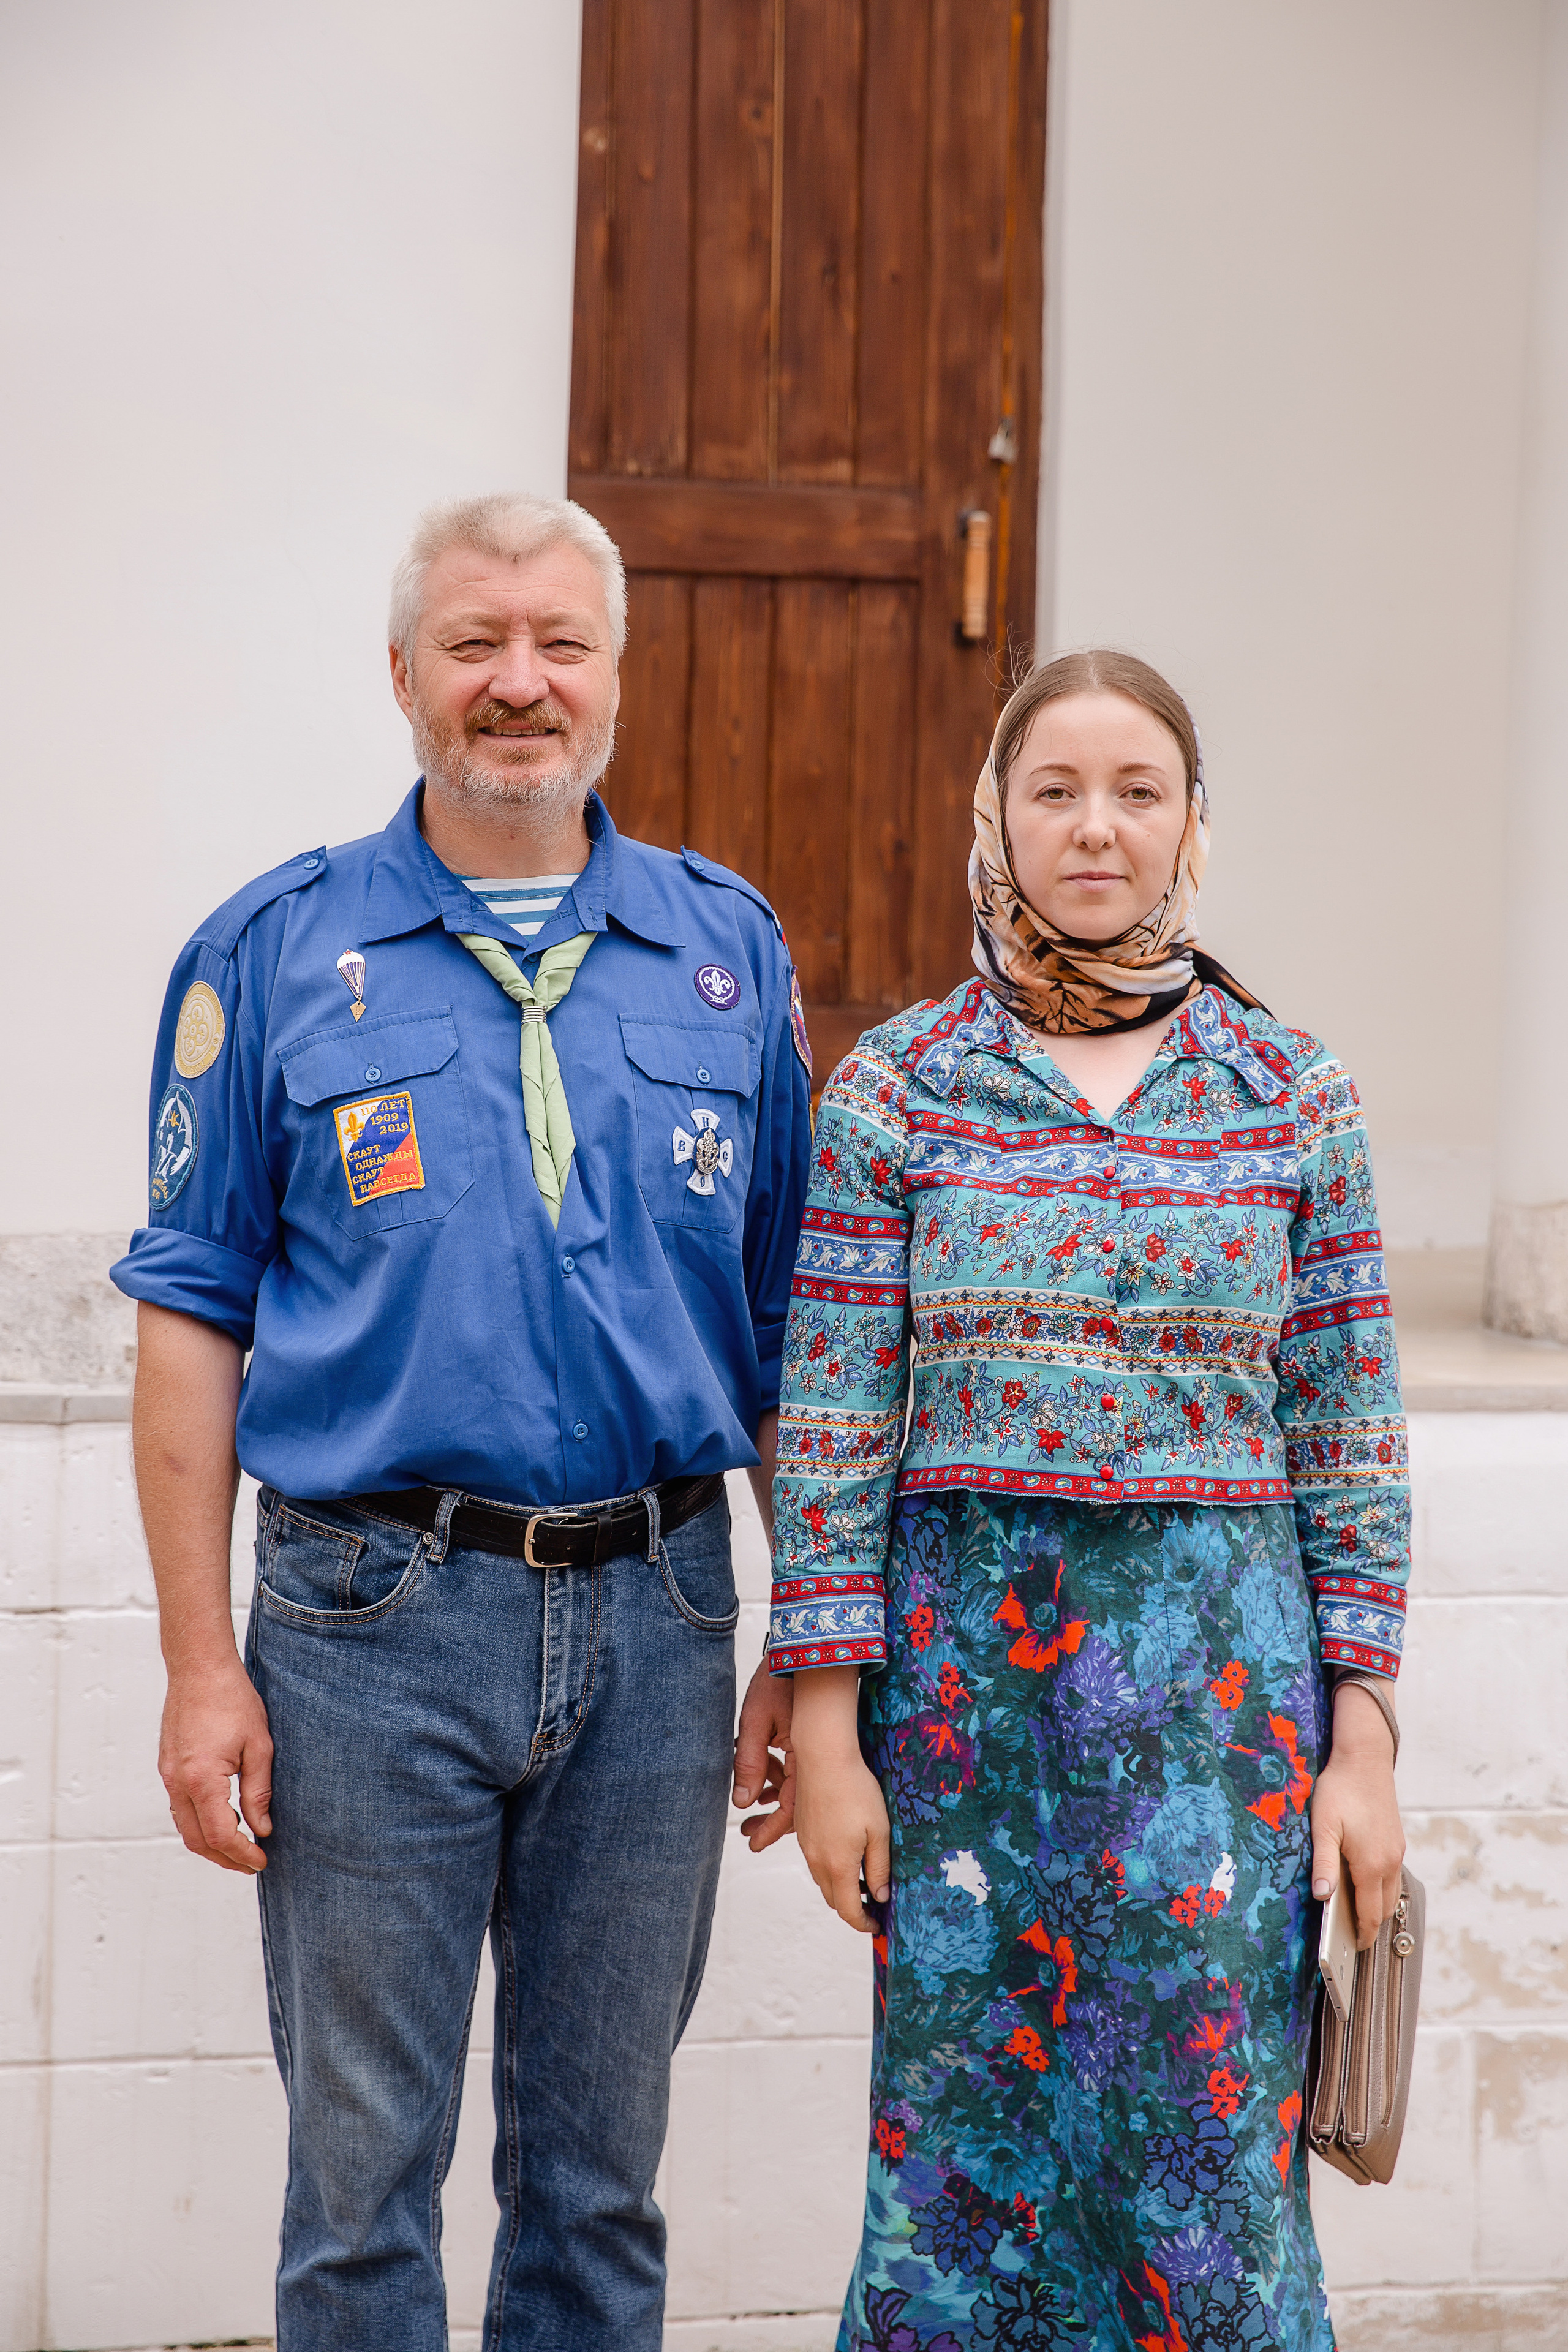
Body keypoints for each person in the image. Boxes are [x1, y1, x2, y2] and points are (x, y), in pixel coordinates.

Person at [113, 491, 809, 2351]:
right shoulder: (267, 951)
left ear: (615, 675)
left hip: (662, 1622)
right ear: (405, 673)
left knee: (599, 2191)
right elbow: (189, 1330)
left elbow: (786, 1343)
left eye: (561, 645)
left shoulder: (727, 958)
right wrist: (200, 1666)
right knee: (361, 2191)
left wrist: (809, 1647)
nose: (521, 684)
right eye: (478, 645)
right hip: (367, 1628)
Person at [767, 650, 1408, 2352]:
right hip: (970, 1728)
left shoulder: (1295, 1095)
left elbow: (1348, 1435)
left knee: (1208, 2164)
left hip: (1226, 1738)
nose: (1097, 828)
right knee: (965, 2166)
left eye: (1140, 791)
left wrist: (1365, 1744)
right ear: (995, 818)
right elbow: (831, 1418)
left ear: (1197, 828)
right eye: (1055, 790)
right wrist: (828, 1728)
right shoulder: (898, 1090)